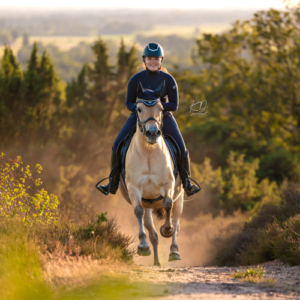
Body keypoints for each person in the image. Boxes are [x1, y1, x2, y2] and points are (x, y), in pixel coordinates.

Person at [97, 42, 201, 197]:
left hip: (163, 117)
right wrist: (142, 109)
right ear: (144, 60)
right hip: (139, 117)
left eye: (156, 59)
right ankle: (112, 183)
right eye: (150, 58)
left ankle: (187, 183)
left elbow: (174, 105)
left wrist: (157, 106)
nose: (153, 61)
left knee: (182, 148)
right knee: (116, 145)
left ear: (161, 60)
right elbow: (128, 103)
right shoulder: (135, 79)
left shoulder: (169, 79)